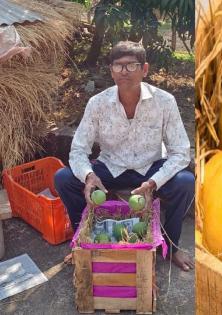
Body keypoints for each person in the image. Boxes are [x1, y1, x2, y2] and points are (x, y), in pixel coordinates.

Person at [54, 41, 194, 271]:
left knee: (186, 182)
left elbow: (180, 152)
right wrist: (89, 175)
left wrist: (153, 182)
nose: (124, 72)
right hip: (111, 168)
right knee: (63, 178)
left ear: (145, 69)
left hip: (150, 168)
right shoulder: (97, 104)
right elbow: (78, 149)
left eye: (132, 65)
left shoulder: (165, 102)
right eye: (118, 66)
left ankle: (172, 245)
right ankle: (83, 241)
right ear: (111, 71)